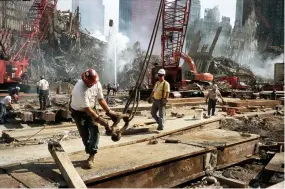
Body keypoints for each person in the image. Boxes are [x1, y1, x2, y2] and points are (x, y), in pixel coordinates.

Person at [69, 69, 118, 169]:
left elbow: (100, 99)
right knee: (85, 135)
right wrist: (102, 121)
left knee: (95, 131)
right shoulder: (80, 88)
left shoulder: (97, 83)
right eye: (89, 84)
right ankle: (89, 149)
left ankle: (92, 155)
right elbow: (87, 109)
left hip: (91, 108)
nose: (91, 85)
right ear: (85, 81)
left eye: (93, 83)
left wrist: (109, 112)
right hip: (78, 112)